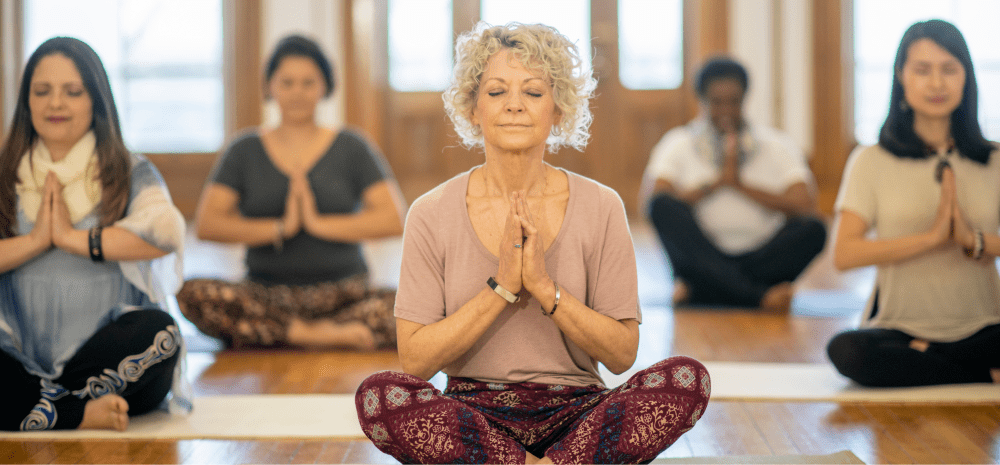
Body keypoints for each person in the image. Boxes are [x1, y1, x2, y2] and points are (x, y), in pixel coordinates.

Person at [354, 22, 709, 464]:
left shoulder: (602, 206)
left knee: (688, 380)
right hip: (474, 414)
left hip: (578, 412)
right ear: (471, 108)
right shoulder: (430, 211)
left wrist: (544, 288)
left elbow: (621, 355)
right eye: (497, 91)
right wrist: (501, 288)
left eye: (534, 93)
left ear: (558, 110)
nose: (515, 106)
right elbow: (415, 361)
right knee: (378, 397)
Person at [0, 37, 188, 431]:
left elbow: (165, 232)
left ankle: (33, 405)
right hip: (14, 355)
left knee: (162, 335)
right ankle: (74, 411)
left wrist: (73, 240)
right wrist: (35, 242)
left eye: (72, 92)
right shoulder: (6, 172)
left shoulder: (128, 170)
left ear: (96, 100)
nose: (55, 103)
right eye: (42, 91)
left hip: (102, 355)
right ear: (27, 101)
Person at [177, 35, 405, 351]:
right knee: (193, 294)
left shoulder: (353, 145)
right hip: (267, 295)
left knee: (412, 308)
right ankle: (311, 334)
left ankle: (283, 333)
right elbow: (208, 224)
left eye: (308, 82)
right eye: (287, 82)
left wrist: (316, 224)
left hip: (344, 297)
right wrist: (282, 228)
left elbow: (393, 219)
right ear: (270, 87)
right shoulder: (244, 149)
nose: (297, 92)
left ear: (324, 87)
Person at [826, 19, 1000, 387]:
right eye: (923, 70)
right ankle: (973, 373)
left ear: (966, 78)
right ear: (902, 77)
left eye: (949, 69)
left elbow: (981, 242)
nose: (937, 83)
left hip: (984, 326)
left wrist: (974, 241)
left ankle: (932, 361)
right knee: (847, 351)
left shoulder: (994, 160)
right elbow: (844, 255)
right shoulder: (871, 159)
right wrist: (931, 239)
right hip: (898, 328)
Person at [641, 57, 826, 312]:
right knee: (662, 206)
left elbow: (805, 204)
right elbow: (654, 200)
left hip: (760, 259)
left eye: (734, 101)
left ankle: (704, 290)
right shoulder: (678, 142)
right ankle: (757, 297)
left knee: (814, 228)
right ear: (701, 101)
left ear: (745, 99)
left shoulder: (776, 144)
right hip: (702, 257)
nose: (726, 110)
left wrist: (739, 185)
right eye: (717, 102)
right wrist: (717, 184)